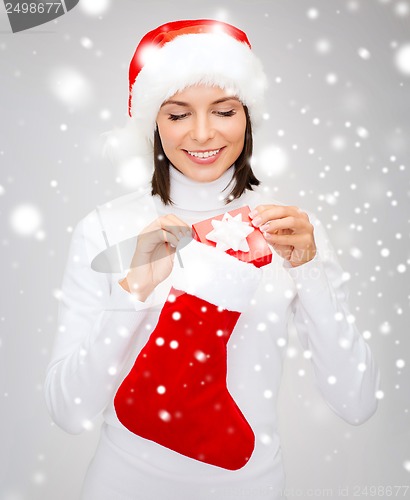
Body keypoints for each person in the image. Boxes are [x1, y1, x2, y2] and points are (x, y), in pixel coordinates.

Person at [44, 19, 380, 500]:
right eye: (178, 114)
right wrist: (132, 294)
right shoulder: (106, 227)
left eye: (223, 110)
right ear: (152, 123)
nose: (202, 134)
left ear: (247, 114)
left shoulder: (288, 230)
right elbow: (69, 410)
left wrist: (311, 270)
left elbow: (357, 402)